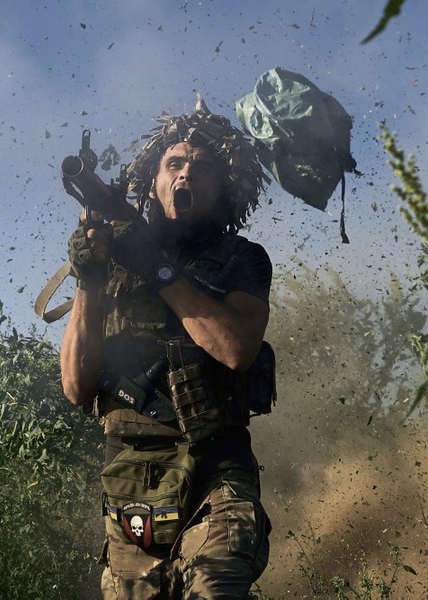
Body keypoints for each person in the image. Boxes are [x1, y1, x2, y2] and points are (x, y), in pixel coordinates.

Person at [60, 98, 274, 598]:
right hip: (131, 485)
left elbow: (236, 348)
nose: (186, 176)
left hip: (214, 476)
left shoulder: (242, 259)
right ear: (152, 183)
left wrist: (155, 266)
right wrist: (90, 279)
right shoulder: (111, 265)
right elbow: (76, 386)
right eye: (174, 164)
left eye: (201, 169)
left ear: (222, 188)